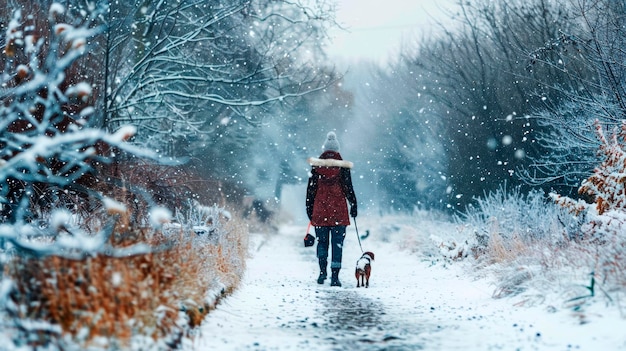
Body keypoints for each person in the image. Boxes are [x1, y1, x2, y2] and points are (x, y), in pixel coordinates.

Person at [306, 131, 357, 287]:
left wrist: (310, 210)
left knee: (322, 243)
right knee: (337, 244)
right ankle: (335, 277)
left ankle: (322, 273)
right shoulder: (343, 168)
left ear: (324, 150)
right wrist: (353, 205)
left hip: (320, 212)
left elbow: (310, 191)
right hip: (339, 213)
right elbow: (348, 188)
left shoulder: (316, 168)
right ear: (337, 150)